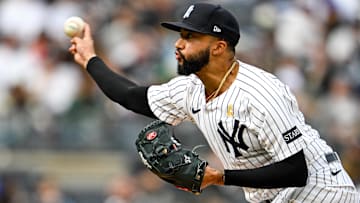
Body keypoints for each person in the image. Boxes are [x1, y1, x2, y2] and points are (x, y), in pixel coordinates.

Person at [68, 3, 359, 203]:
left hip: (322, 194)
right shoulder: (192, 90)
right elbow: (131, 96)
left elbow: (296, 171)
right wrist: (90, 59)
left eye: (190, 37)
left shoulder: (261, 94)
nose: (178, 44)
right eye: (181, 35)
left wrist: (217, 177)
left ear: (219, 47)